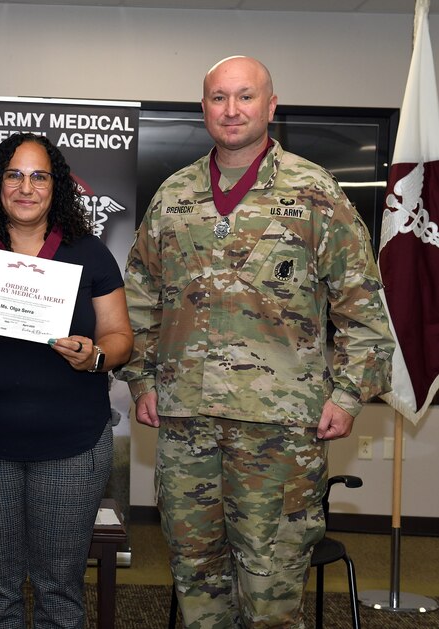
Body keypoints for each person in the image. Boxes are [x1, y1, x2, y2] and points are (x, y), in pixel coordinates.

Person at [115, 56, 394, 628]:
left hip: (280, 431)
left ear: (270, 106)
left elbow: (364, 309)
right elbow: (138, 298)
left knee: (271, 582)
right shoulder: (174, 196)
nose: (232, 109)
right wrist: (141, 378)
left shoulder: (314, 193)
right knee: (196, 574)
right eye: (219, 98)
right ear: (204, 109)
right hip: (186, 422)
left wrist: (346, 396)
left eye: (245, 97)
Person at [0, 132, 133, 628]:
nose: (26, 186)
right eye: (14, 174)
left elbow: (120, 336)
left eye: (39, 175)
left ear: (56, 186)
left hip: (74, 449)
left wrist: (95, 356)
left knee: (61, 591)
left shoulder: (89, 253)